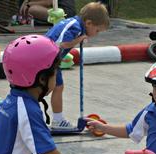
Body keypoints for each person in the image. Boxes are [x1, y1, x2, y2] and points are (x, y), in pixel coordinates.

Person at [45, 2, 110, 130]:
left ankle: (57, 120)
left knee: (57, 87)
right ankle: (35, 116)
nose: (96, 34)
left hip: (51, 60)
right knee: (47, 89)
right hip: (46, 59)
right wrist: (78, 40)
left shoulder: (75, 24)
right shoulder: (75, 27)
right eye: (97, 30)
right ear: (89, 23)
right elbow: (63, 44)